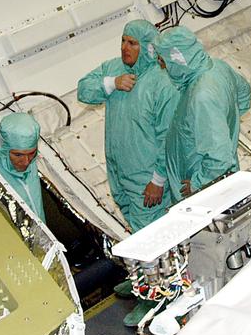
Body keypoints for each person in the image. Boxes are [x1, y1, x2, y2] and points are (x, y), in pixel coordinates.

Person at [77, 19, 179, 232]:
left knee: (153, 236)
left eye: (133, 43)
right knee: (137, 230)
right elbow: (83, 90)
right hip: (119, 173)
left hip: (146, 180)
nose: (125, 48)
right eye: (123, 41)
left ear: (149, 47)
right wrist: (112, 83)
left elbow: (169, 136)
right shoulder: (114, 68)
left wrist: (158, 180)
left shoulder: (162, 82)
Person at [157, 26, 251, 200]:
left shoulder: (202, 96)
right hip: (215, 182)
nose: (162, 66)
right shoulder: (217, 67)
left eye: (163, 61)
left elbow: (219, 158)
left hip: (208, 191)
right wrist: (228, 123)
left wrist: (198, 183)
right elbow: (244, 93)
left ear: (177, 59)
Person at [0, 113, 45, 221]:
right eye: (18, 155)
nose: (26, 162)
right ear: (3, 149)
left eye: (32, 153)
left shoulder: (29, 161)